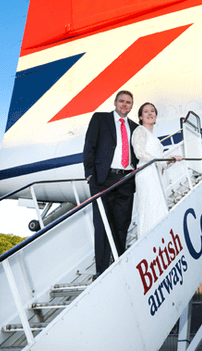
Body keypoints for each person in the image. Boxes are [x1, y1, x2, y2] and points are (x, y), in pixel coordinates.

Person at [83, 90, 139, 280]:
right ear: (115, 102)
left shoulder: (134, 126)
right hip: (103, 179)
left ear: (132, 106)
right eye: (122, 101)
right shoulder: (100, 119)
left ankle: (118, 265)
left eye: (128, 102)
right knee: (102, 225)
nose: (125, 104)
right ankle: (101, 270)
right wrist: (90, 175)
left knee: (122, 225)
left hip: (126, 180)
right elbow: (89, 146)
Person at [131, 102, 181, 238]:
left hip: (155, 173)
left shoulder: (153, 137)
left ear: (156, 115)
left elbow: (159, 162)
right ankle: (149, 238)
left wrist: (170, 159)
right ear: (140, 117)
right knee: (150, 206)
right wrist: (161, 160)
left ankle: (159, 237)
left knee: (157, 205)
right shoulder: (139, 131)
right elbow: (139, 153)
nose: (149, 114)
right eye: (145, 112)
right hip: (146, 173)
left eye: (152, 111)